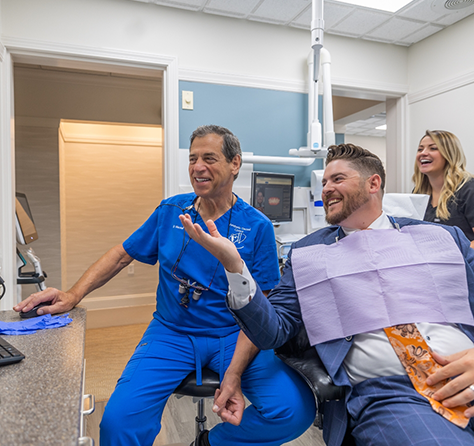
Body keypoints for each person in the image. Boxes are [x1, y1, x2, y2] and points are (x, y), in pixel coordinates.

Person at [14, 125, 316, 446]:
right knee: (117, 422)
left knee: (294, 410)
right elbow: (121, 255)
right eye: (193, 159)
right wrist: (72, 294)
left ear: (234, 164)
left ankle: (211, 443)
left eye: (210, 158)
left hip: (235, 336)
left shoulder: (257, 226)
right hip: (171, 333)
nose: (198, 167)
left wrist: (234, 373)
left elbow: (262, 314)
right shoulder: (171, 210)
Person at [180, 143, 474, 446]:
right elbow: (273, 332)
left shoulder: (441, 238)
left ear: (373, 183)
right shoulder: (310, 254)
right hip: (395, 393)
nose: (326, 189)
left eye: (337, 179)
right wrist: (235, 267)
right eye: (324, 183)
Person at [413, 129, 474, 247]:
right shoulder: (418, 193)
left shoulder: (469, 189)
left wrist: (450, 257)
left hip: (462, 263)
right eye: (420, 149)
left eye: (433, 148)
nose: (423, 153)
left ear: (449, 154)